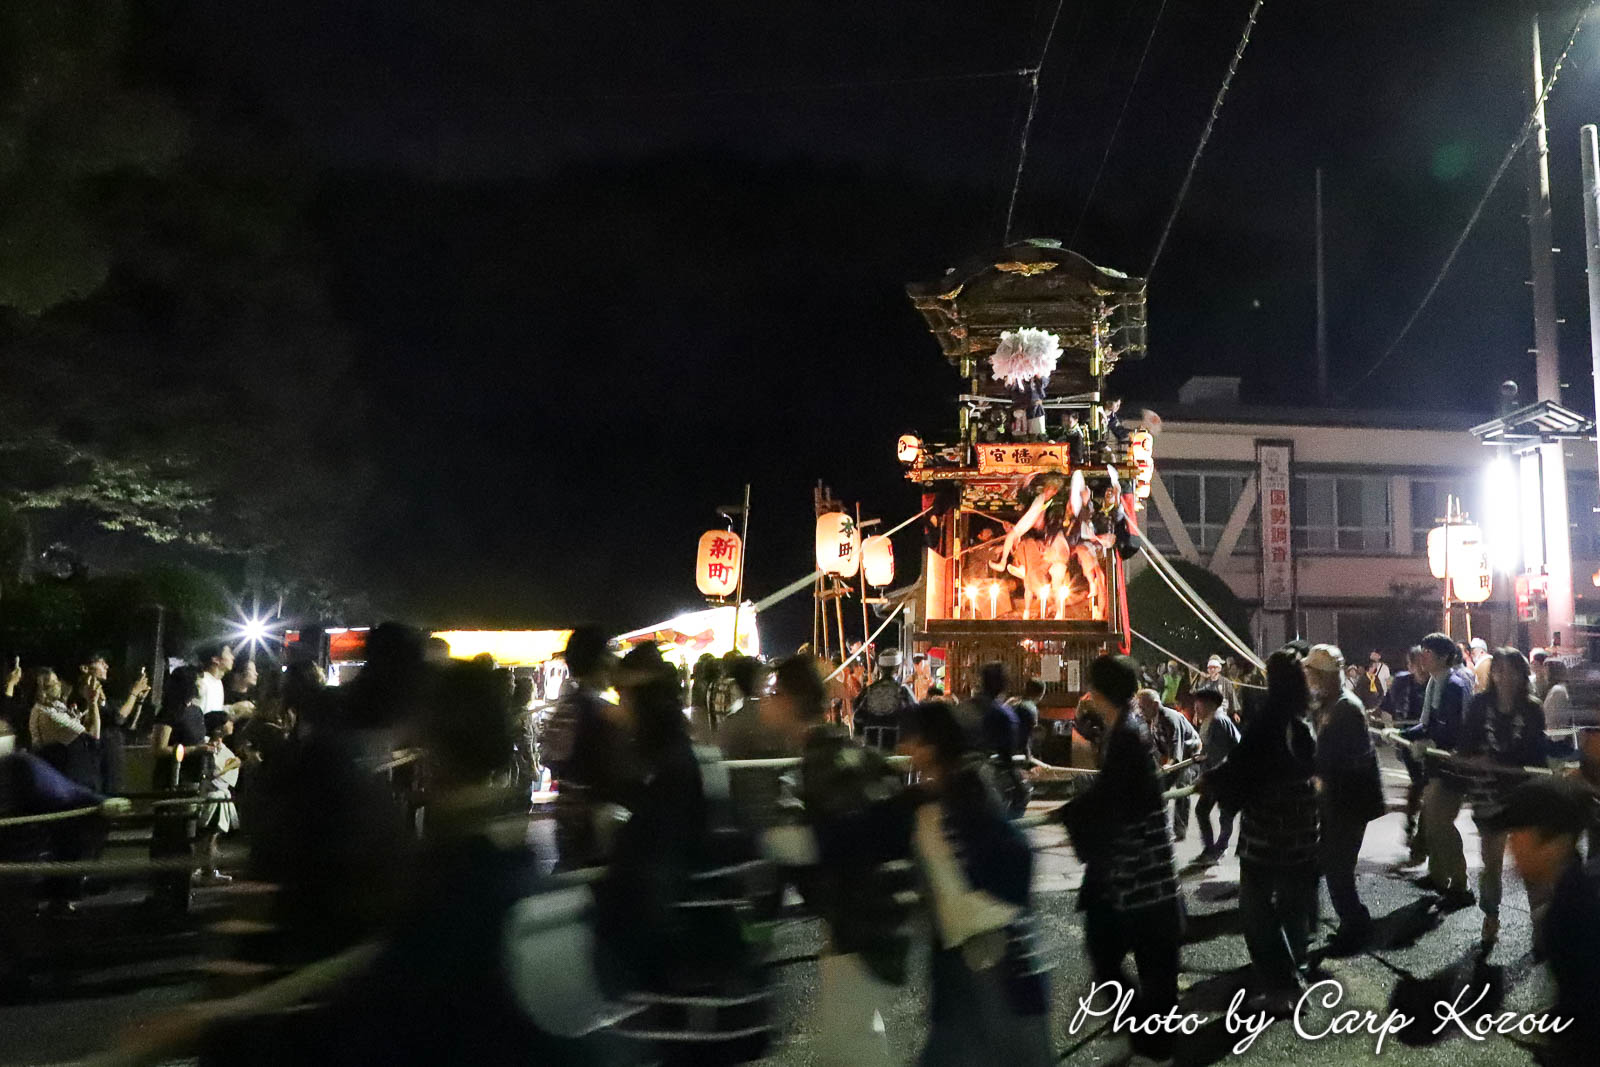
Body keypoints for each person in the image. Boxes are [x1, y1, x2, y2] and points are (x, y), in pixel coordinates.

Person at [759, 654, 913, 1065]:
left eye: (773, 694)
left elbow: (823, 843)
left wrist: (767, 845)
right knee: (858, 1034)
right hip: (883, 914)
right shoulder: (849, 752)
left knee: (849, 1043)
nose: (767, 703)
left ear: (788, 700)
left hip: (861, 923)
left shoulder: (819, 764)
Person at [900, 701, 1052, 1066]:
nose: (904, 748)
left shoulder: (964, 794)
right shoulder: (943, 795)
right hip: (973, 961)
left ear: (931, 745)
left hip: (991, 958)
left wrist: (982, 911)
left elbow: (1018, 856)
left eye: (911, 739)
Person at [1054, 655, 1182, 1062]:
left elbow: (1111, 799)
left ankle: (1151, 1036)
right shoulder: (1127, 729)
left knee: (1118, 957)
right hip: (1142, 870)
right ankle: (1154, 1039)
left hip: (1134, 871)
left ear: (1099, 692)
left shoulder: (1126, 736)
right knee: (1147, 962)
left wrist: (1072, 813)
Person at [1204, 649, 1319, 1014]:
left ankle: (1283, 985)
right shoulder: (1302, 721)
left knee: (1255, 909)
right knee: (1292, 905)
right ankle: (1295, 967)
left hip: (1268, 833)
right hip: (1302, 831)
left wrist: (1211, 781)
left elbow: (1242, 766)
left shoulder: (1268, 722)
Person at [1483, 778, 1600, 1064]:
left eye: (1518, 835)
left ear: (1555, 842)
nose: (1510, 847)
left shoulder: (1578, 910)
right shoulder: (1569, 894)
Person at [1446, 647, 1548, 946]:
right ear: (1492, 675)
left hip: (1523, 792)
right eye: (1499, 670)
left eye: (1512, 670)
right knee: (1491, 862)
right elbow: (1465, 746)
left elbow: (1537, 755)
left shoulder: (1531, 708)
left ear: (1522, 675)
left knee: (1530, 862)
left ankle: (1539, 922)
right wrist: (1470, 759)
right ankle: (1491, 916)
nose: (1505, 677)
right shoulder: (1480, 705)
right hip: (1488, 791)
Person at [1305, 645, 1383, 952]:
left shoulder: (1346, 708)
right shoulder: (1328, 704)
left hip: (1350, 802)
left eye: (1311, 673)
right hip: (1338, 801)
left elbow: (1340, 760)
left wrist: (1315, 776)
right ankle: (1352, 922)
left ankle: (1357, 925)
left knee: (1338, 869)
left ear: (1323, 675)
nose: (1308, 678)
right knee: (1332, 865)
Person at [540, 627, 628, 870]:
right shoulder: (603, 712)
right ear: (601, 661)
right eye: (610, 654)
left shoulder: (565, 708)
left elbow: (550, 757)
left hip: (567, 816)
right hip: (598, 824)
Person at [1410, 632, 1476, 904]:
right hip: (1437, 763)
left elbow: (1453, 729)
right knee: (1433, 821)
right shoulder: (1435, 682)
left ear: (1444, 657)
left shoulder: (1455, 686)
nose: (1423, 657)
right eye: (1423, 651)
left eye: (1428, 653)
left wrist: (1427, 741)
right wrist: (1403, 733)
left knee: (1441, 823)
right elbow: (1427, 724)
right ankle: (1438, 875)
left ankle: (1461, 883)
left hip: (1453, 765)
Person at [1135, 688, 1201, 842]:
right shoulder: (1152, 719)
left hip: (1189, 756)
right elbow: (1155, 748)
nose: (1141, 711)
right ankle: (1160, 827)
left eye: (1143, 707)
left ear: (1155, 705)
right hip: (1171, 758)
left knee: (1181, 787)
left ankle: (1179, 830)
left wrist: (1168, 765)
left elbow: (1177, 748)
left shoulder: (1170, 718)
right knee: (1159, 788)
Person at [967, 662, 1026, 816]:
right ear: (1003, 684)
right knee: (1019, 797)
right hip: (987, 772)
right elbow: (1007, 753)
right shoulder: (1003, 714)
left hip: (958, 772)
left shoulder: (965, 708)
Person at [1191, 689, 1240, 861]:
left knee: (1223, 815)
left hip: (1225, 776)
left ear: (1209, 705)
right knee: (1212, 812)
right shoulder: (1211, 720)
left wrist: (1206, 777)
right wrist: (1201, 757)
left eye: (1198, 705)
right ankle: (1213, 849)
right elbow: (1211, 750)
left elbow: (1220, 756)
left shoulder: (1218, 721)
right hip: (1219, 775)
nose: (1195, 709)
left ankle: (1216, 849)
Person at [854, 649, 914, 752]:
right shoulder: (902, 691)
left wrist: (859, 735)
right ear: (897, 669)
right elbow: (914, 716)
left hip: (871, 746)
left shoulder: (869, 691)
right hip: (895, 746)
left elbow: (858, 715)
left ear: (880, 668)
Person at [196, 644, 254, 720]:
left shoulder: (218, 683)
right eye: (228, 653)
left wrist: (234, 708)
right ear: (216, 659)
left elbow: (213, 712)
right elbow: (199, 717)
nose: (232, 657)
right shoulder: (201, 683)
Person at [1009, 678, 1044, 761]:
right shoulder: (1030, 708)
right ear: (1041, 694)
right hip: (1018, 755)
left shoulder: (1012, 702)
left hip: (1004, 750)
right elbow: (1027, 735)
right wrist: (1028, 754)